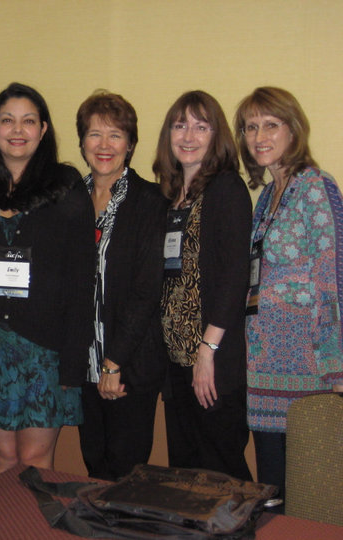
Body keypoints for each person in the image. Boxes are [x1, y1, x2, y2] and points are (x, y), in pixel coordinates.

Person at [0, 82, 95, 476]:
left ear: (43, 129)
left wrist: (73, 361)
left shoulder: (66, 186)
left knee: (35, 461)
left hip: (46, 348)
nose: (17, 130)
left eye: (28, 121)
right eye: (8, 120)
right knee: (4, 458)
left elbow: (82, 280)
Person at [234, 87, 343, 510]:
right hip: (264, 366)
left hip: (307, 367)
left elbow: (332, 278)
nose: (259, 136)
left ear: (293, 129)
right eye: (250, 127)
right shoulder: (266, 197)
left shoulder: (316, 187)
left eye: (270, 125)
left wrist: (336, 365)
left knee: (309, 495)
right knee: (272, 493)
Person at [153, 91, 252, 480]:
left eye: (201, 126)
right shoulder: (170, 197)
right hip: (177, 362)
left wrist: (207, 353)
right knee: (186, 475)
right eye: (180, 126)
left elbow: (233, 278)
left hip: (211, 361)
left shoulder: (227, 189)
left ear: (217, 135)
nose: (188, 136)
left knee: (222, 475)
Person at [75, 91, 168, 481]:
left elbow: (146, 291)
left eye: (115, 135)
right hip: (82, 362)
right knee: (94, 465)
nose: (104, 145)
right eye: (94, 134)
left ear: (130, 144)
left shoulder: (150, 201)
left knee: (126, 473)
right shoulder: (71, 200)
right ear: (82, 141)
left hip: (127, 365)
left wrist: (113, 364)